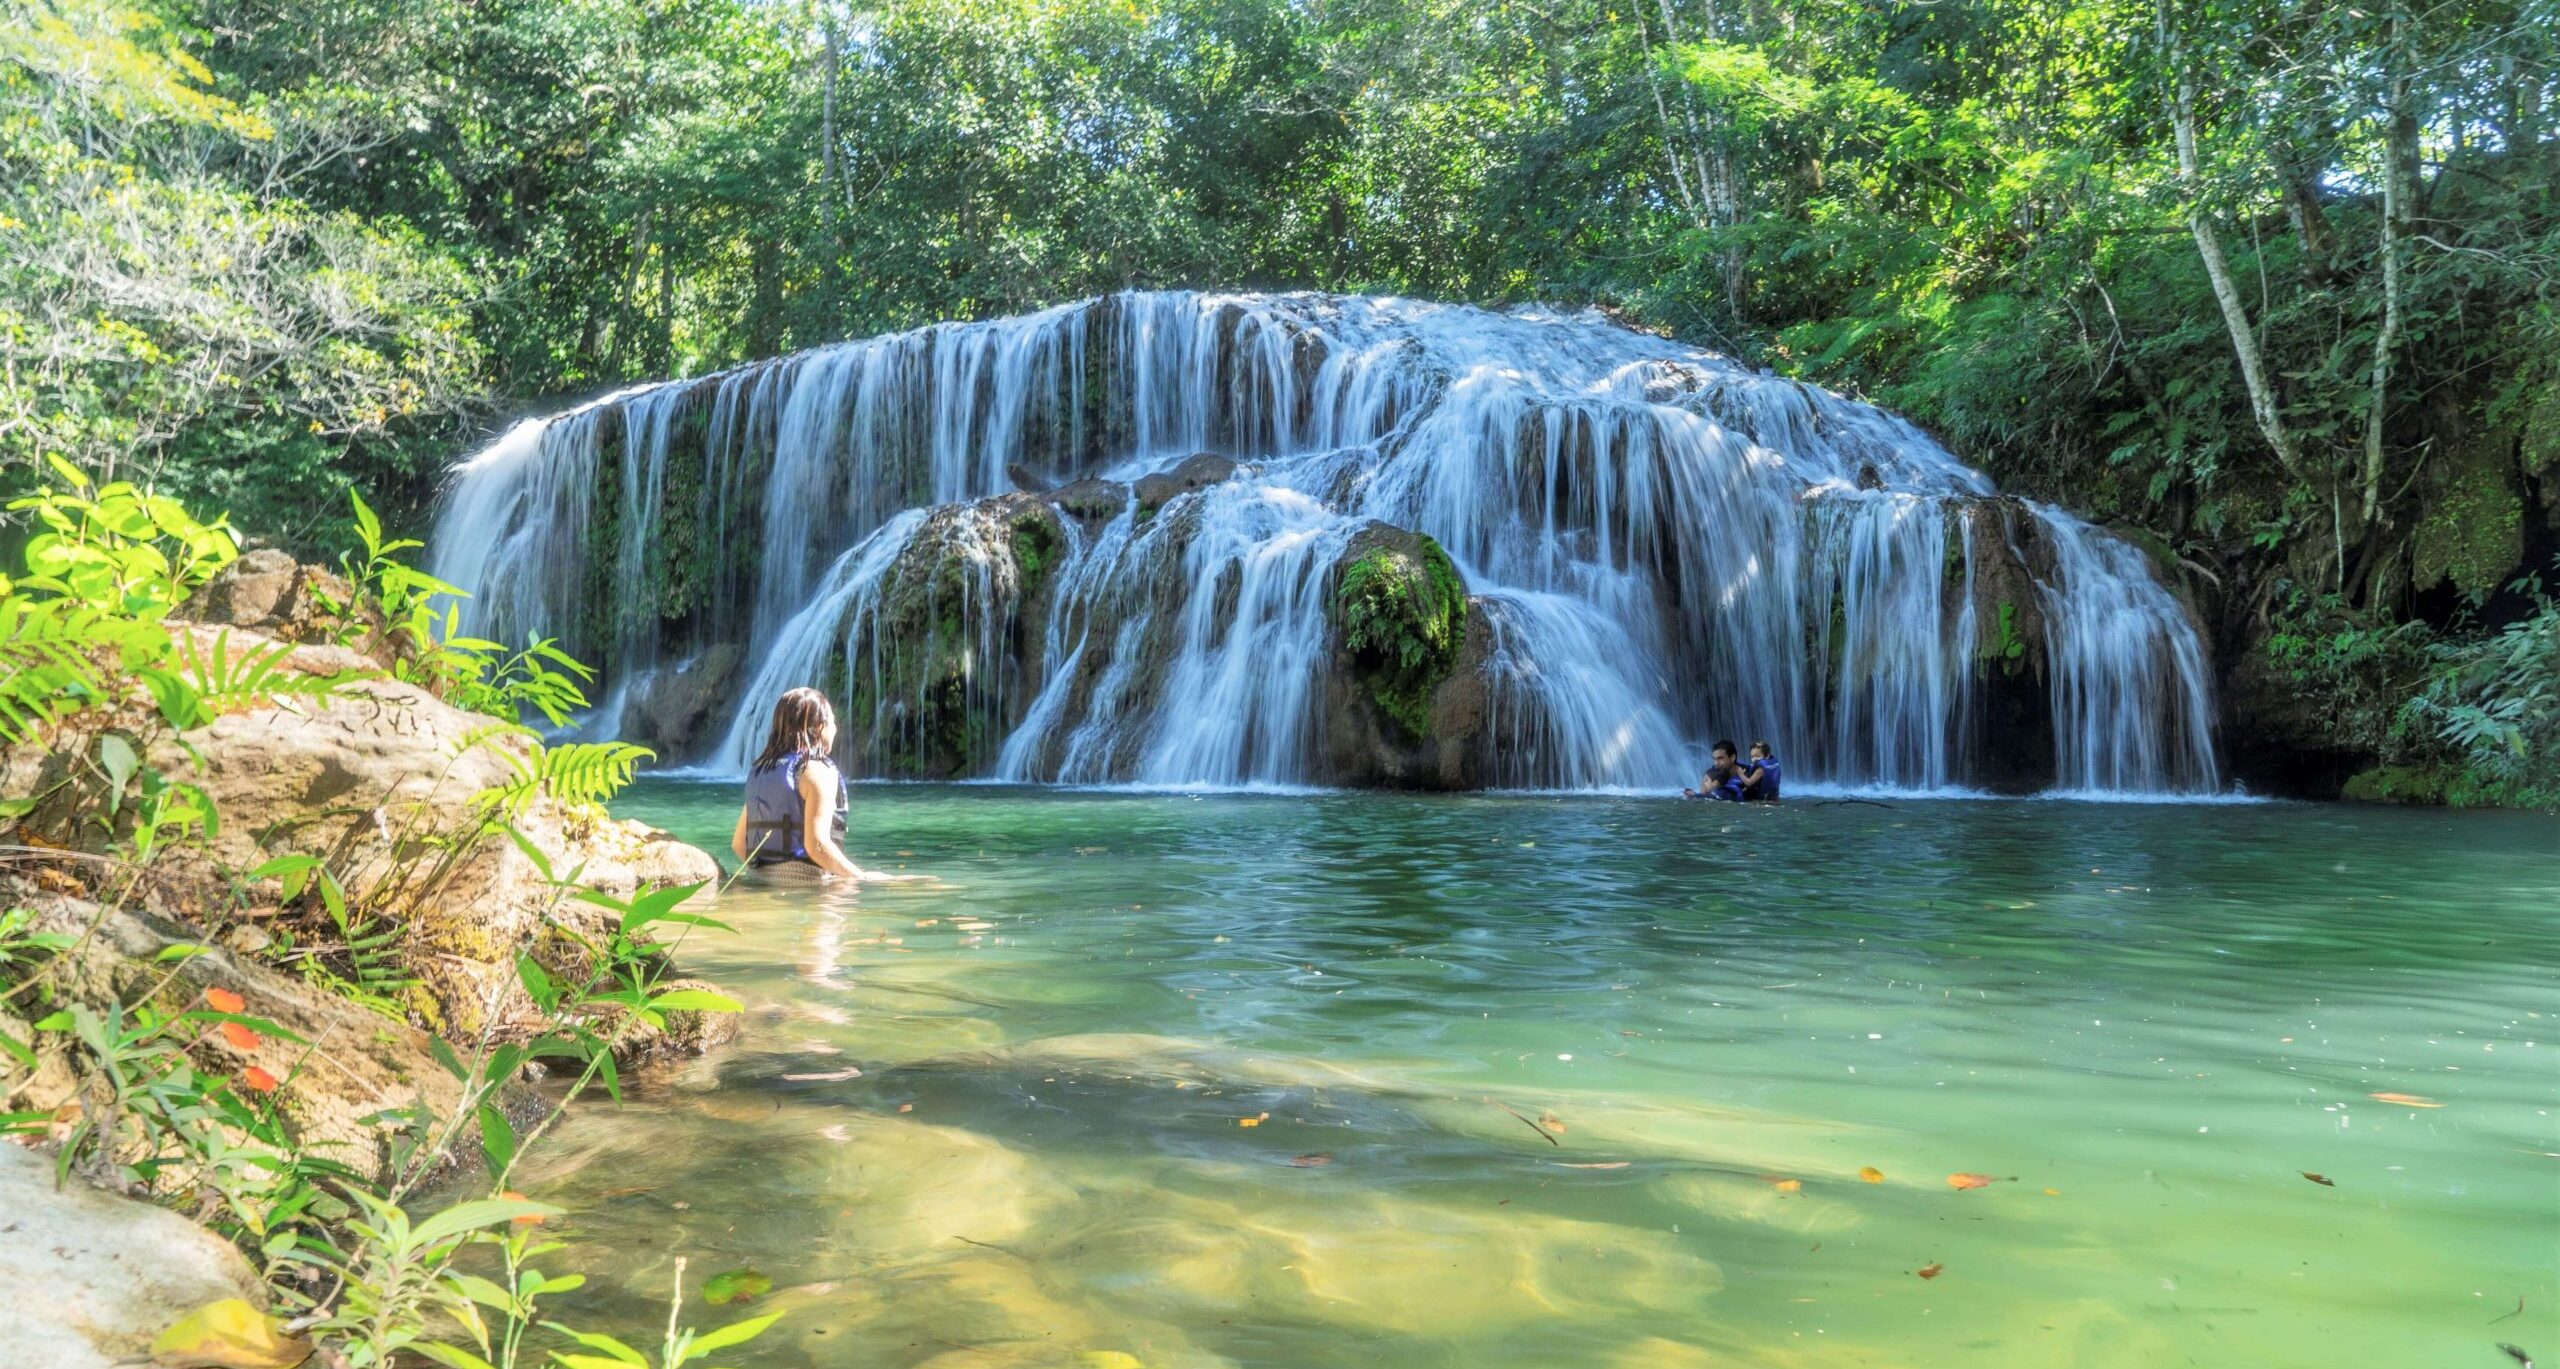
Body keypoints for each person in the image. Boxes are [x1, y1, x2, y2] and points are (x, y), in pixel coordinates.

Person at [731, 687, 872, 878]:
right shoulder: (816, 771)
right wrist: (861, 877)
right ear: (819, 728)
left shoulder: (761, 771)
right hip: (806, 882)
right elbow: (816, 846)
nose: (836, 728)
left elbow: (739, 844)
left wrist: (767, 878)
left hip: (758, 878)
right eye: (832, 722)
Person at [1683, 739, 1747, 801]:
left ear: (1732, 758)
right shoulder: (1712, 773)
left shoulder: (1748, 774)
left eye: (1720, 758)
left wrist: (1695, 795)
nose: (1716, 763)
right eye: (1714, 759)